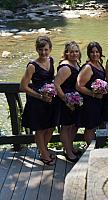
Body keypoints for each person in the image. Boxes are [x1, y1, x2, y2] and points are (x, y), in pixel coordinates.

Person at [20, 35, 57, 165]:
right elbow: (23, 86)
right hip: (37, 101)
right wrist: (40, 96)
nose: (43, 53)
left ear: (50, 49)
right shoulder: (32, 66)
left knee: (51, 126)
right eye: (41, 50)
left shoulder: (51, 60)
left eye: (46, 49)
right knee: (40, 129)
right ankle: (44, 154)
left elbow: (52, 79)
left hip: (50, 100)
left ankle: (43, 150)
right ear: (37, 49)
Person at [54, 41, 81, 162]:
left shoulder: (75, 63)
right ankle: (68, 152)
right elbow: (56, 85)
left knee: (73, 125)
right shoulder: (66, 67)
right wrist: (66, 100)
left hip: (74, 100)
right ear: (66, 53)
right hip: (65, 101)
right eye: (71, 52)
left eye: (76, 51)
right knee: (66, 127)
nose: (74, 54)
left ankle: (69, 147)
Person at [76, 42, 106, 145]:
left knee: (94, 126)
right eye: (92, 52)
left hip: (97, 102)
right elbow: (78, 86)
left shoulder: (98, 64)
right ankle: (90, 149)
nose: (95, 54)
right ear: (88, 53)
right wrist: (94, 94)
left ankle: (94, 147)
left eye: (97, 52)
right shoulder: (88, 67)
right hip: (89, 102)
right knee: (90, 127)